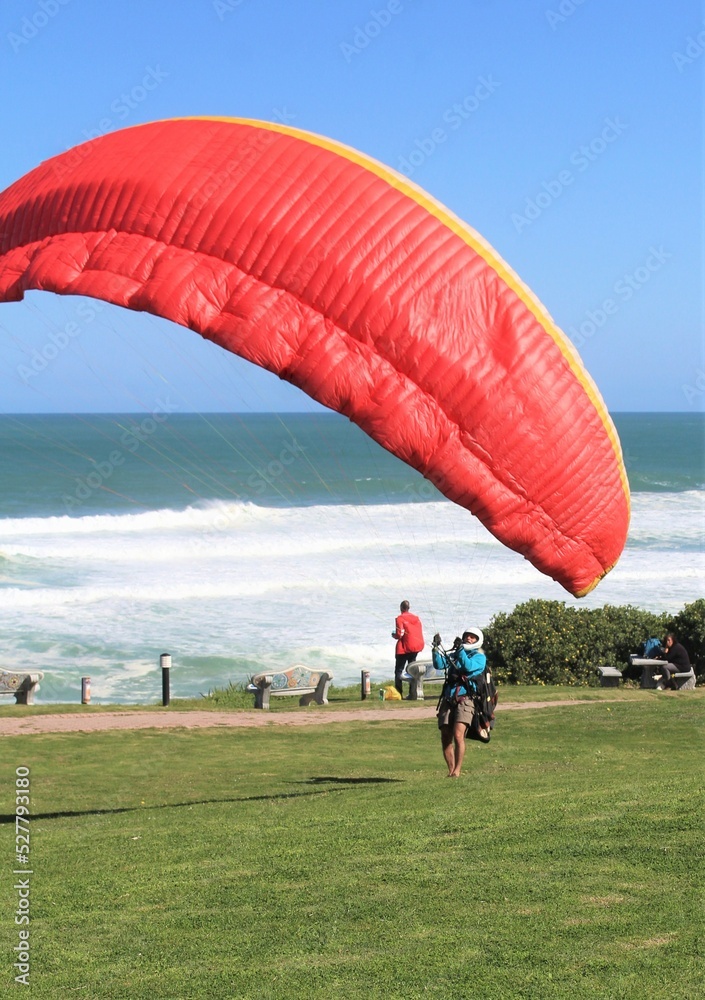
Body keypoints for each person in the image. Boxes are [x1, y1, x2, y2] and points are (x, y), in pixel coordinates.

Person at [434, 628, 486, 778]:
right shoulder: (455, 655)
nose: (469, 639)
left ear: (477, 641)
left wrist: (461, 650)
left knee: (458, 735)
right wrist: (436, 648)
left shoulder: (479, 657)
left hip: (465, 700)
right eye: (467, 636)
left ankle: (457, 770)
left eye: (472, 637)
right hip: (448, 699)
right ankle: (450, 771)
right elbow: (439, 664)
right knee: (445, 735)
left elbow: (467, 666)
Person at [391, 600, 425, 696]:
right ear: (409, 608)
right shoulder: (416, 618)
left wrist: (394, 635)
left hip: (403, 649)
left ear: (401, 608)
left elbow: (399, 634)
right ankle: (412, 692)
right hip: (415, 648)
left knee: (399, 670)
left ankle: (398, 693)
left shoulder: (400, 618)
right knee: (412, 670)